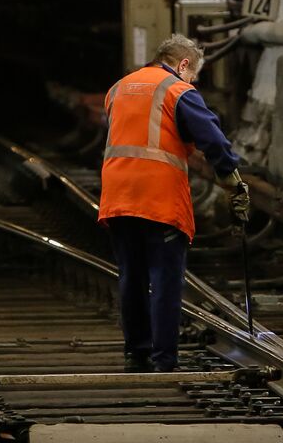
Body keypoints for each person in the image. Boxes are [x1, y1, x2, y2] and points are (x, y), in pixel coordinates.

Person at [99, 33, 251, 372]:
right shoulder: (177, 90)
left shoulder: (119, 88)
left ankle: (135, 353)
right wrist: (231, 178)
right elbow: (211, 137)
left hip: (118, 197)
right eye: (193, 73)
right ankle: (163, 360)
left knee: (131, 276)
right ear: (183, 64)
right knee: (165, 280)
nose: (191, 80)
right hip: (159, 199)